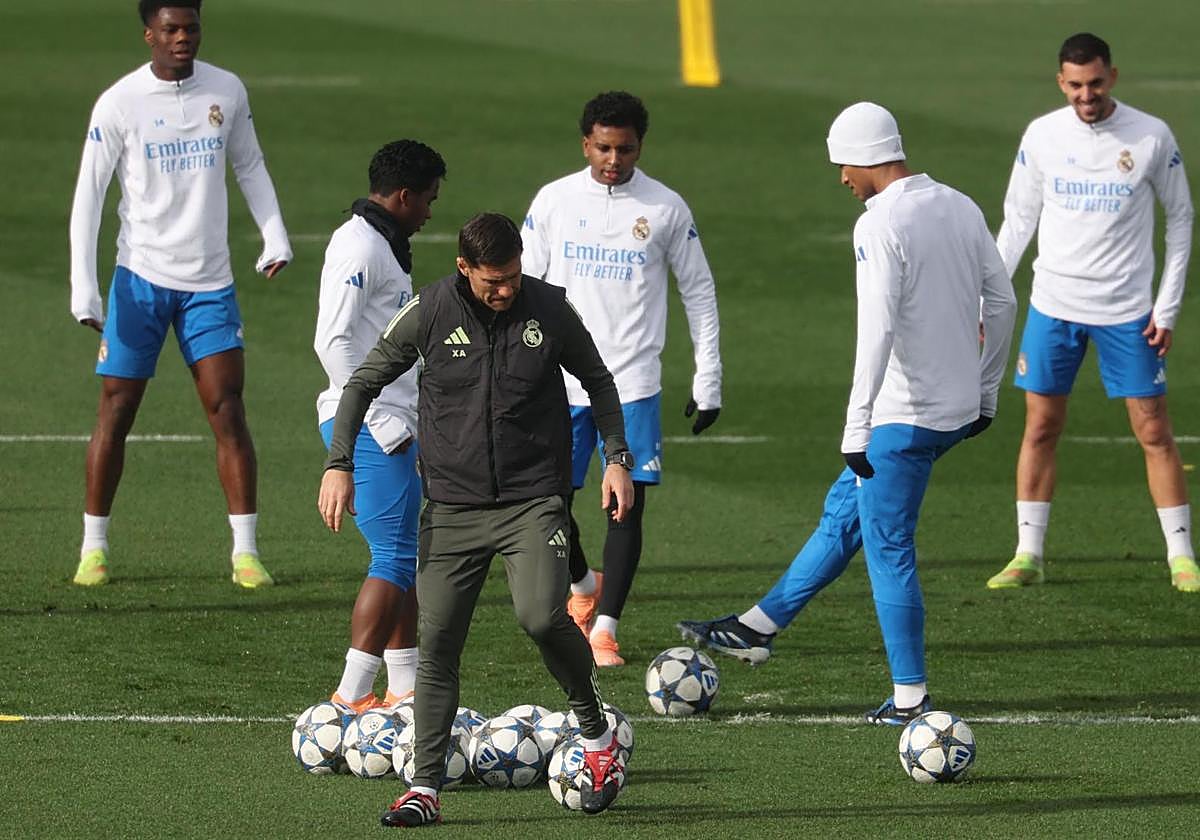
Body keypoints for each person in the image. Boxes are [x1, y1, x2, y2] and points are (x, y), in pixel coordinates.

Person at [678, 103, 1017, 725]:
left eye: (843, 165)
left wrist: (857, 423)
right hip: (955, 410)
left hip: (902, 420)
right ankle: (758, 626)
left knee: (890, 548)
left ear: (865, 158)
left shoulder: (879, 224)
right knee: (845, 515)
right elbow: (1001, 301)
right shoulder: (959, 204)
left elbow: (877, 329)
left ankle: (910, 698)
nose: (841, 178)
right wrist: (987, 389)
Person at [318, 213, 634, 827]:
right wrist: (339, 464)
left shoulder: (549, 308)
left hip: (532, 502)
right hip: (453, 510)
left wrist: (616, 459)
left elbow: (599, 382)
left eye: (513, 276)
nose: (506, 290)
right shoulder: (430, 311)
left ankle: (596, 733)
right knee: (437, 643)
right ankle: (425, 789)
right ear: (464, 269)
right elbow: (361, 383)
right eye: (493, 281)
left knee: (541, 616)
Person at [68, 0, 291, 588]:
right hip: (139, 279)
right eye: (170, 29)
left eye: (191, 27)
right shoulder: (120, 103)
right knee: (117, 410)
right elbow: (89, 195)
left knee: (228, 409)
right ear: (149, 34)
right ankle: (94, 549)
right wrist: (83, 286)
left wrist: (274, 235)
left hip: (209, 283)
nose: (182, 38)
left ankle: (245, 553)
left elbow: (250, 164)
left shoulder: (227, 90)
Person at [985, 33, 1198, 593]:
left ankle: (1181, 556)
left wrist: (1167, 307)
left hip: (1128, 311)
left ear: (1113, 77)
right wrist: (988, 298)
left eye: (1096, 83)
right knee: (1040, 426)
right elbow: (1017, 221)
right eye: (1076, 85)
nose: (1087, 95)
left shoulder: (1151, 135)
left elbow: (1181, 218)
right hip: (1053, 307)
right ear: (1061, 82)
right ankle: (1028, 555)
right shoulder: (1042, 135)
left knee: (1153, 428)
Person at [520, 90, 723, 667]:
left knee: (625, 506)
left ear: (640, 146)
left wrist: (708, 377)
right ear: (585, 143)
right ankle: (584, 586)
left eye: (625, 149)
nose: (614, 160)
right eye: (604, 148)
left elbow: (699, 290)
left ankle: (605, 628)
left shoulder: (665, 208)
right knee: (546, 503)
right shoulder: (554, 201)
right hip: (558, 380)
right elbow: (524, 283)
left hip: (631, 383)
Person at [315, 140, 446, 713]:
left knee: (403, 555)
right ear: (404, 196)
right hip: (375, 425)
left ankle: (404, 688)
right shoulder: (360, 246)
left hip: (391, 420)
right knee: (391, 559)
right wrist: (373, 416)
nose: (430, 212)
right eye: (429, 200)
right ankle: (350, 695)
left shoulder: (382, 243)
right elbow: (332, 341)